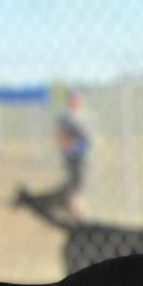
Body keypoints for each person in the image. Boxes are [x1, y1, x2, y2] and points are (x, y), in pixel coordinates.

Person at [55, 89, 90, 220]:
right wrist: (69, 146)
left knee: (78, 185)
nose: (76, 102)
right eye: (73, 99)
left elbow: (88, 140)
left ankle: (76, 210)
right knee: (75, 185)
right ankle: (77, 212)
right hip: (72, 156)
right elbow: (60, 137)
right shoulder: (67, 118)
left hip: (81, 156)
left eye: (78, 99)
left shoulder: (83, 117)